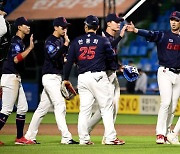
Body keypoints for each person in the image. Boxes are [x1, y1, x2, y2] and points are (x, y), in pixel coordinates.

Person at [64, 15, 124, 145]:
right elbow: (111, 58)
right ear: (97, 27)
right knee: (107, 107)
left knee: (85, 109)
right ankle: (110, 138)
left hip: (82, 78)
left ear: (86, 27)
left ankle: (84, 139)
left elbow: (69, 62)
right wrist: (116, 68)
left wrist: (65, 79)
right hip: (98, 76)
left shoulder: (76, 41)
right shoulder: (103, 41)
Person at [126, 11, 180, 144]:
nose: (173, 22)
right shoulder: (163, 35)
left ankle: (167, 133)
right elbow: (150, 34)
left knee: (172, 107)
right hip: (165, 72)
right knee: (166, 103)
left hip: (179, 75)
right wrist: (136, 30)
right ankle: (160, 133)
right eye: (171, 19)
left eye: (176, 20)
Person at [24, 17, 79, 145]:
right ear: (55, 27)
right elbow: (54, 56)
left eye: (66, 27)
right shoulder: (50, 41)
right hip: (50, 77)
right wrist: (66, 45)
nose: (65, 29)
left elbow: (61, 59)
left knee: (42, 108)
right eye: (62, 27)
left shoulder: (61, 40)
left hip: (56, 77)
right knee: (59, 105)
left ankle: (29, 136)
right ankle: (66, 137)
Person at [87, 13, 127, 144]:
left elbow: (111, 57)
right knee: (107, 106)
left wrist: (120, 67)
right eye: (116, 21)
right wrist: (121, 36)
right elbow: (107, 50)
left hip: (112, 74)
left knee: (112, 107)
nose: (119, 23)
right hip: (103, 76)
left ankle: (105, 135)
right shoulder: (103, 37)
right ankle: (88, 130)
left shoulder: (111, 37)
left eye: (119, 21)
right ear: (109, 23)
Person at [0, 17, 35, 145]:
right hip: (10, 77)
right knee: (6, 110)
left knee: (22, 108)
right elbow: (15, 59)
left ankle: (20, 138)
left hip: (14, 77)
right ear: (19, 27)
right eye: (26, 25)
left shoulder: (19, 41)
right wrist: (30, 48)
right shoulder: (15, 41)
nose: (28, 27)